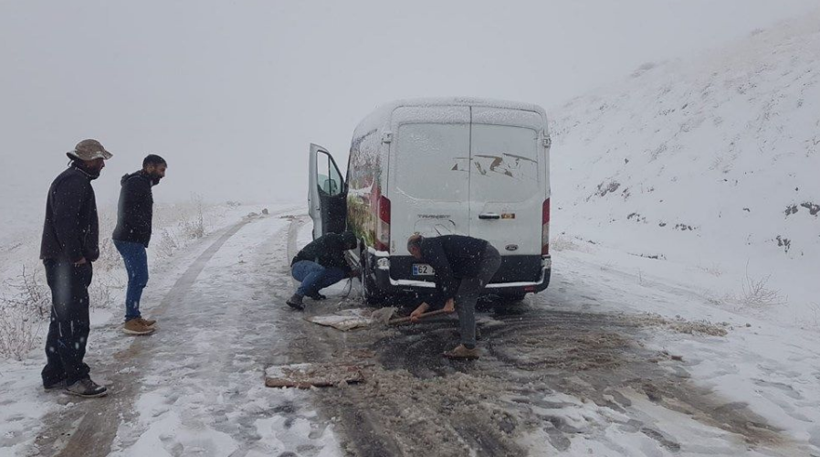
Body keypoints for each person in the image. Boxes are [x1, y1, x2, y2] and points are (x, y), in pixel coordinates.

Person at [40, 139, 112, 398]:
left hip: (61, 261)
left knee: (62, 318)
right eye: (100, 160)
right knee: (74, 321)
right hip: (66, 263)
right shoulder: (74, 181)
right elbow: (64, 221)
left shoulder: (72, 179)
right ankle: (76, 378)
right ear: (87, 160)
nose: (103, 165)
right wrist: (76, 256)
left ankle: (55, 373)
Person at [407, 233, 501, 360]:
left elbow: (444, 271)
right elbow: (440, 285)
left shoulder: (428, 248)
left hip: (485, 258)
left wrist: (449, 300)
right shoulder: (433, 247)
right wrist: (420, 309)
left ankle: (468, 347)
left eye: (413, 255)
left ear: (414, 249)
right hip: (482, 257)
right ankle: (471, 332)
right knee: (463, 297)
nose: (416, 258)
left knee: (464, 298)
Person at [112, 154, 167, 335]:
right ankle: (130, 320)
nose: (163, 175)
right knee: (139, 277)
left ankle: (134, 316)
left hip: (129, 237)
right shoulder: (137, 183)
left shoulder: (138, 182)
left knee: (136, 278)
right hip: (129, 238)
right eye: (161, 170)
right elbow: (133, 212)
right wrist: (140, 230)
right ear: (149, 167)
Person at [287, 231, 359, 310]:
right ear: (346, 240)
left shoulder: (334, 247)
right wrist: (349, 270)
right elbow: (339, 259)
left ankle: (311, 290)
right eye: (349, 245)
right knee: (318, 270)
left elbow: (337, 264)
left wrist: (347, 273)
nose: (347, 248)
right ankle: (297, 296)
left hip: (309, 268)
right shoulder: (332, 239)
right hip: (299, 266)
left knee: (338, 273)